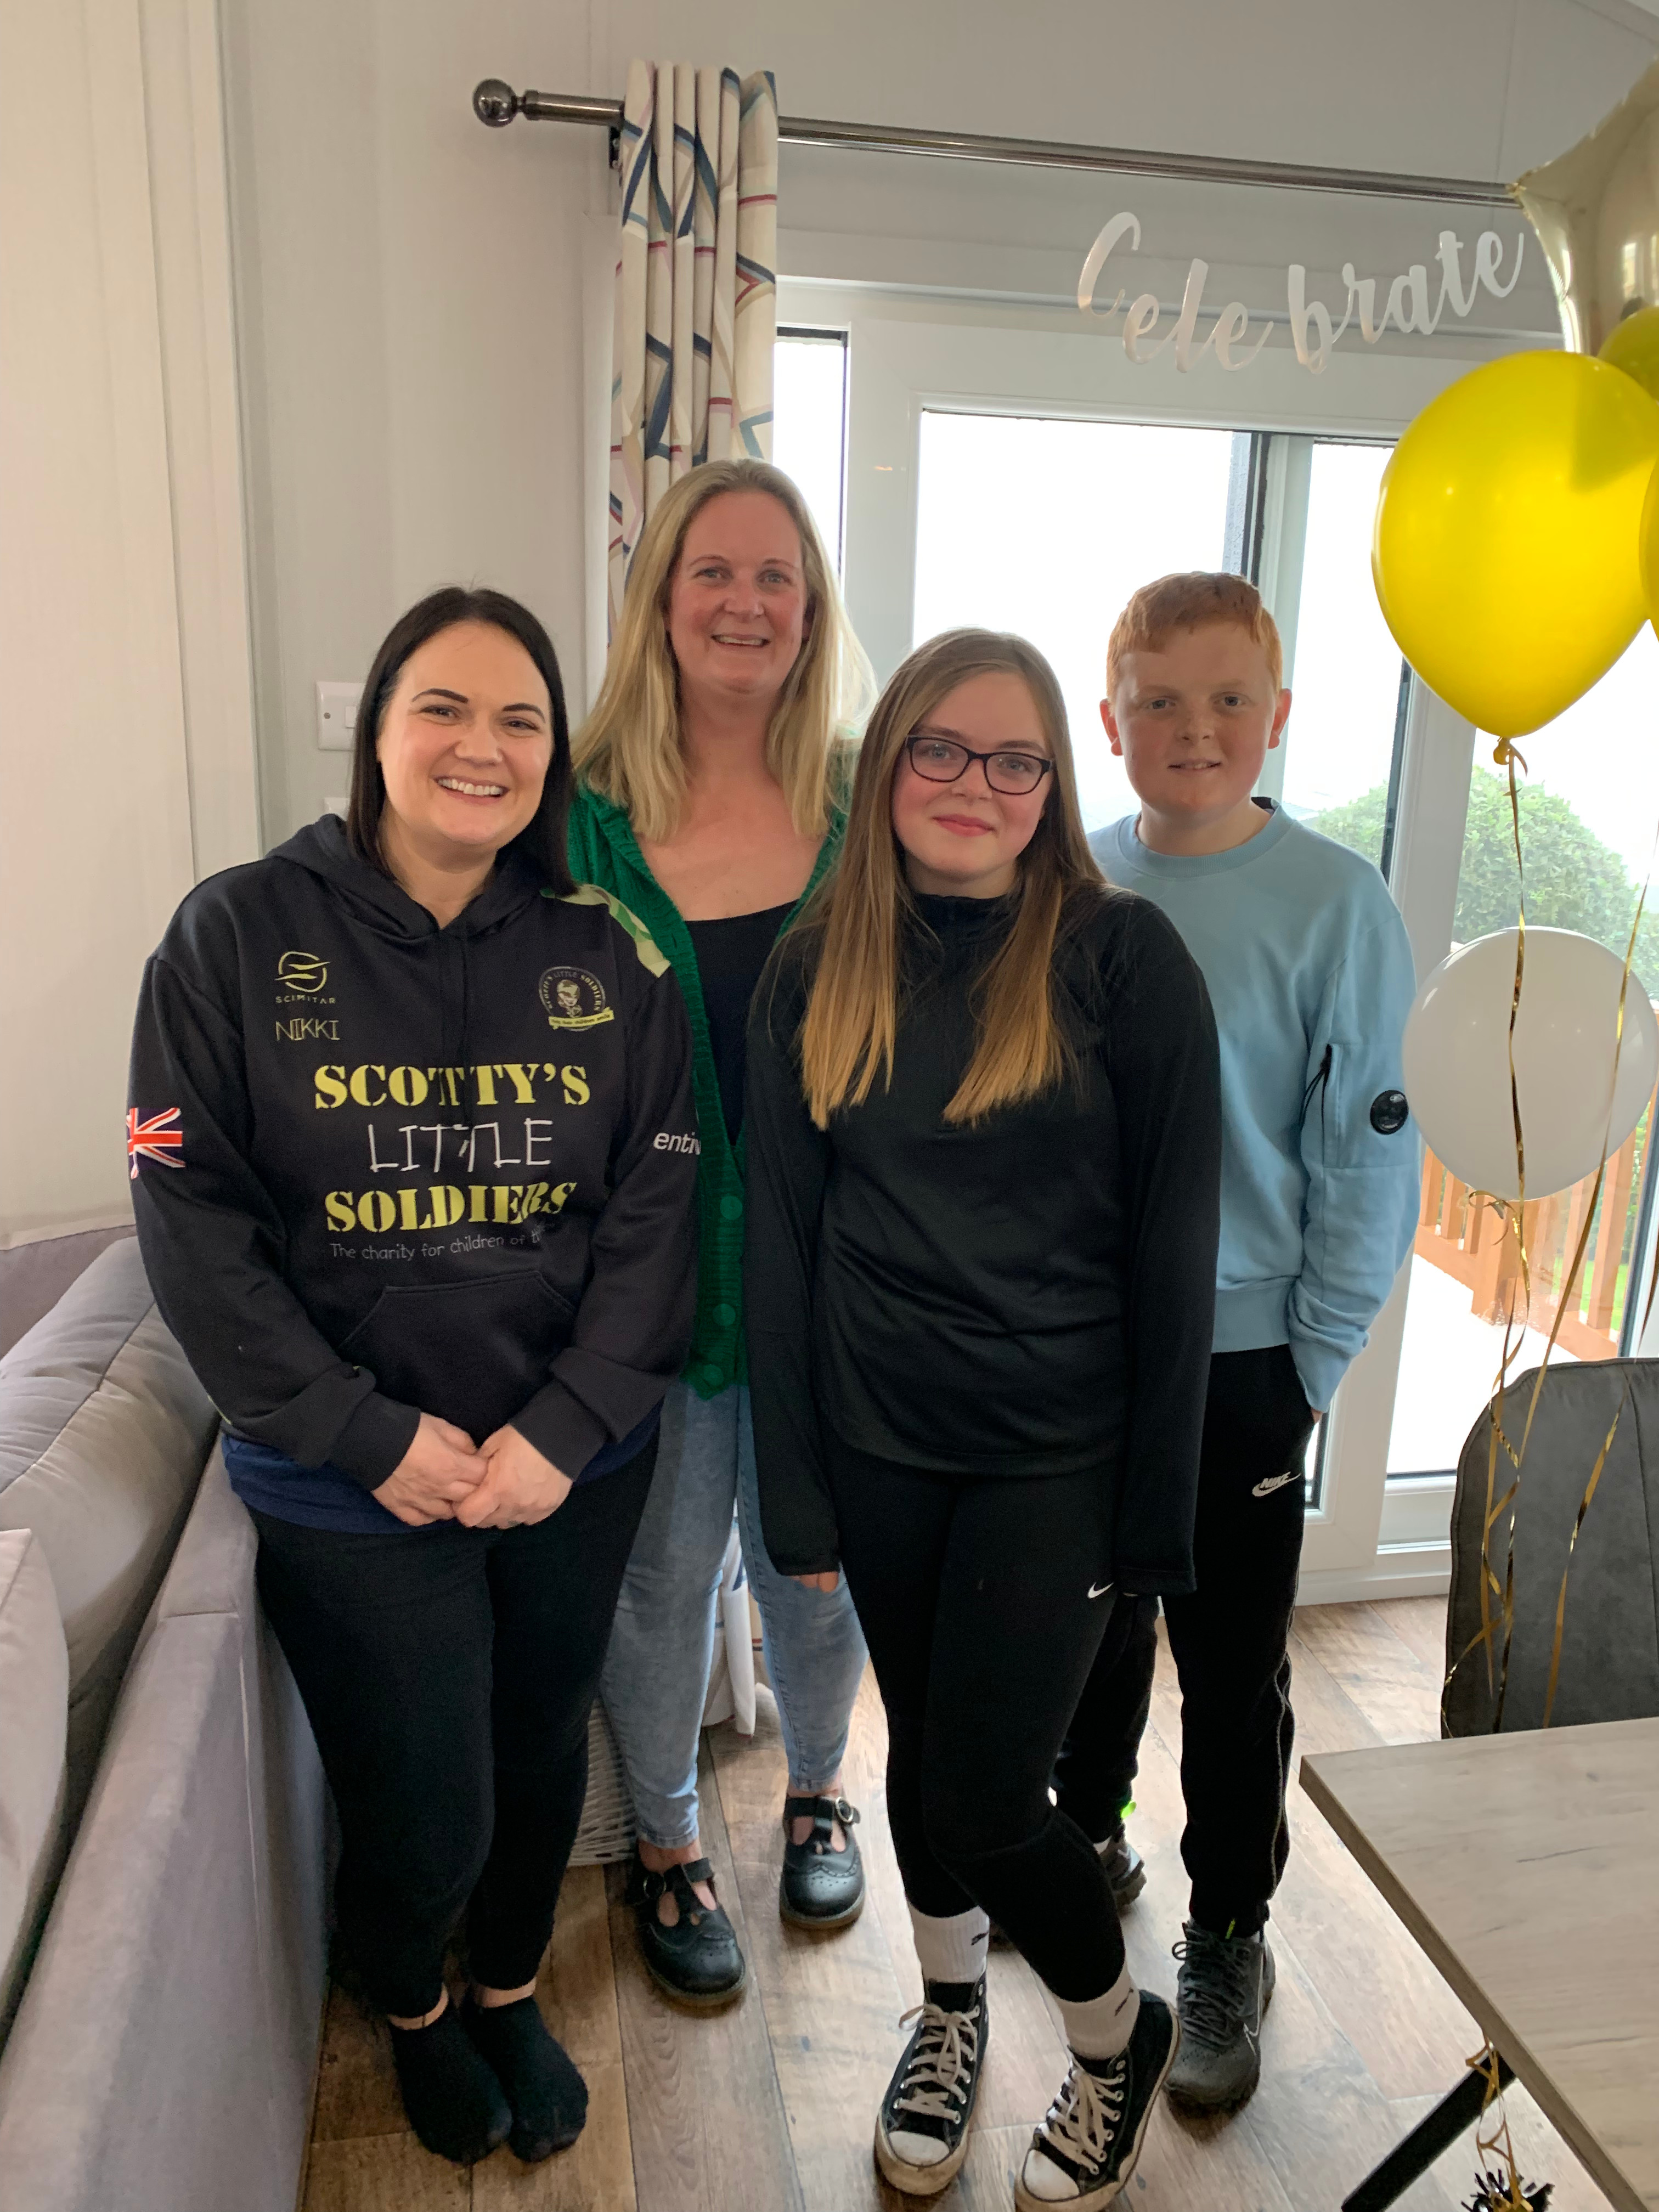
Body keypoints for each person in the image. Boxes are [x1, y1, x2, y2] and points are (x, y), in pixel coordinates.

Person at [128, 588, 699, 2168]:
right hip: (346, 1478)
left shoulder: (612, 949)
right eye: (442, 707)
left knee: (540, 1745)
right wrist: (362, 1434)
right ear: (377, 729)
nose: (480, 746)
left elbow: (659, 1204)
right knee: (422, 1784)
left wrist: (565, 1428)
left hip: (571, 1459)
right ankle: (414, 1999)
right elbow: (192, 1219)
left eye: (521, 720)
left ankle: (507, 1984)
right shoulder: (232, 937)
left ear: (553, 760)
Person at [745, 629, 1222, 2209]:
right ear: (888, 763)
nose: (976, 783)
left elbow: (1176, 1249)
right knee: (928, 1751)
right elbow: (784, 1244)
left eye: (1016, 759)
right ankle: (949, 2016)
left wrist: (1156, 1520)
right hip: (880, 1440)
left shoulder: (1124, 959)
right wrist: (793, 1490)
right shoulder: (817, 965)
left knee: (983, 1795)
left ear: (1054, 784)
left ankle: (1114, 2040)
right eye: (940, 748)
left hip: (1058, 1456)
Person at [1056, 571, 1420, 2113]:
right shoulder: (1069, 879)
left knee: (1227, 1663)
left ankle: (1227, 1930)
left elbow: (1370, 1153)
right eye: (1158, 700)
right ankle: (1090, 1840)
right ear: (1110, 718)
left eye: (1226, 700)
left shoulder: (1337, 904)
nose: (1191, 728)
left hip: (1247, 1361)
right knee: (1088, 1633)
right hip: (1081, 1351)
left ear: (1278, 717)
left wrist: (1311, 1360)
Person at [568, 459, 876, 2006]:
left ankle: (821, 1787)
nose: (746, 603)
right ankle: (668, 1840)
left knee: (819, 1566)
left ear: (811, 610)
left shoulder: (866, 804)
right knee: (662, 1572)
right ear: (662, 600)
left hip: (836, 1282)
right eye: (714, 572)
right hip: (646, 1289)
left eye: (776, 576)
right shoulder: (579, 813)